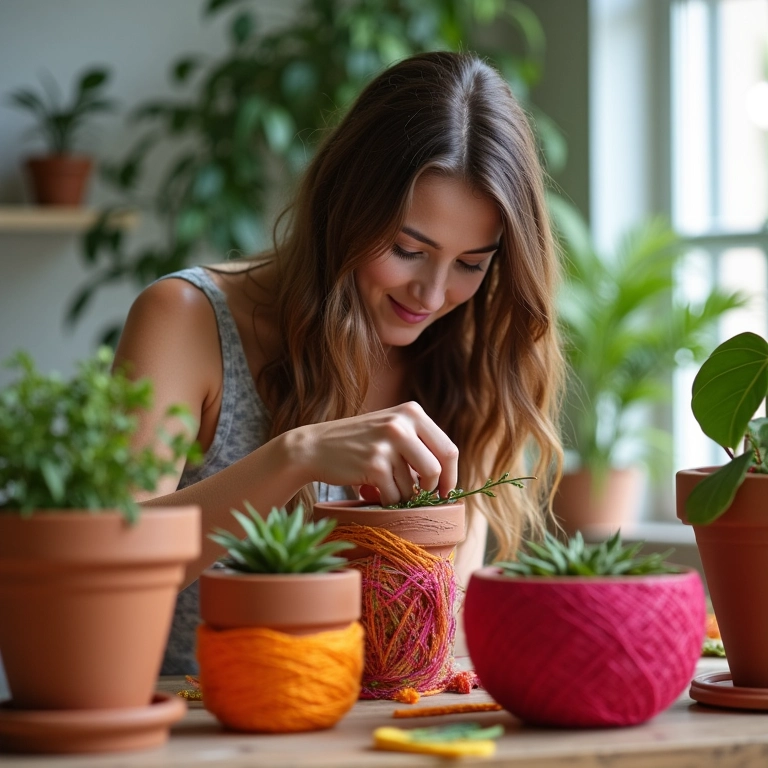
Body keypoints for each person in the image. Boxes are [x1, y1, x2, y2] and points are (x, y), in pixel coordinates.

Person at [114, 50, 564, 674]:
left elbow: (439, 640)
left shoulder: (469, 359)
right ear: (342, 207)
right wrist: (293, 459)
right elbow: (108, 562)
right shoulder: (187, 319)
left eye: (470, 264)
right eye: (408, 249)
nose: (432, 296)